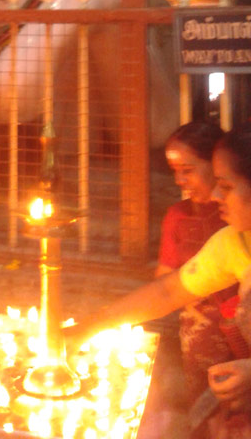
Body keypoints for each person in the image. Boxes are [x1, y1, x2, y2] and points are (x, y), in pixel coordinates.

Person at [67, 125, 251, 436]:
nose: (217, 196)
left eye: (227, 187)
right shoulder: (233, 243)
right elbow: (167, 291)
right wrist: (86, 328)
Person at [158, 122, 236, 402]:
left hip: (241, 334)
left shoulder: (238, 218)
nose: (179, 180)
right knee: (206, 409)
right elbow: (163, 285)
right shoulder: (177, 217)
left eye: (187, 171)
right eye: (175, 172)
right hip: (200, 335)